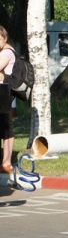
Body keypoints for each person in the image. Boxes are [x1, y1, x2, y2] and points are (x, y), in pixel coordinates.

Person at [0, 25, 16, 173]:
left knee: (6, 128)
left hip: (3, 93)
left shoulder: (7, 52)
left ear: (5, 38)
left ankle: (6, 162)